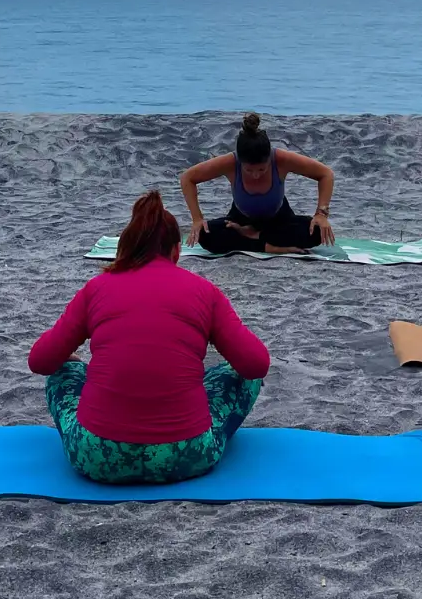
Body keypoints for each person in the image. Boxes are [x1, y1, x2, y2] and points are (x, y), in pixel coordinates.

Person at [28, 191, 270, 484]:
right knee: (237, 376)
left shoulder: (96, 289)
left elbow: (40, 361)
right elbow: (256, 365)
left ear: (125, 249)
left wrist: (70, 359)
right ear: (176, 251)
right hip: (187, 456)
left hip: (98, 458)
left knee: (64, 371)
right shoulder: (205, 292)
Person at [179, 112, 336, 255]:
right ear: (240, 162)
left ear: (270, 158)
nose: (255, 175)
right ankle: (269, 247)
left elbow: (325, 174)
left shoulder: (282, 159)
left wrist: (321, 214)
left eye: (261, 170)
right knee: (205, 235)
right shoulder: (229, 162)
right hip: (240, 219)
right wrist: (197, 219)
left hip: (279, 220)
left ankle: (254, 236)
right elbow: (187, 178)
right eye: (249, 171)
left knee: (317, 231)